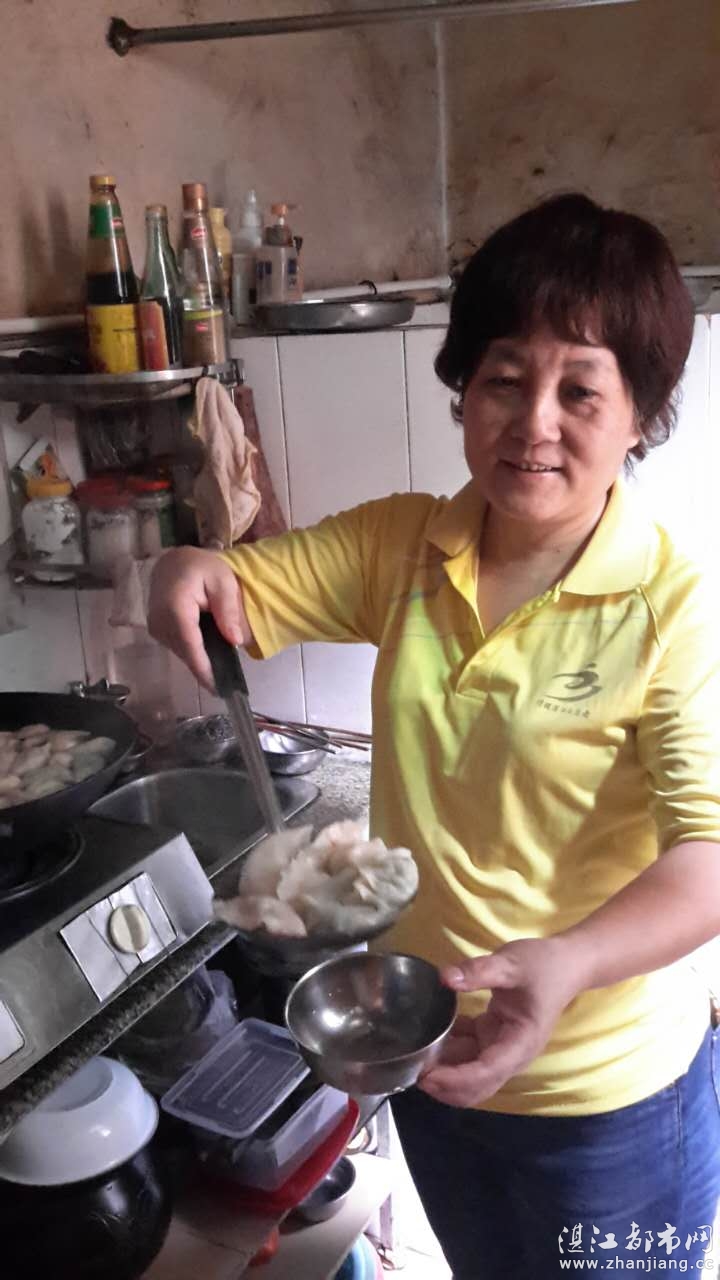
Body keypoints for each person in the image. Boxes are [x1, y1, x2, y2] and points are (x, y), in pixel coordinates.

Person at [148, 193, 720, 1276]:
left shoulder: (675, 607)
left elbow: (708, 860)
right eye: (504, 378)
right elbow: (232, 588)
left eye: (580, 389)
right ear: (465, 388)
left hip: (607, 1101)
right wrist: (183, 564)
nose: (533, 422)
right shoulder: (404, 544)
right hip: (430, 1055)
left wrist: (568, 962)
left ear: (640, 414)